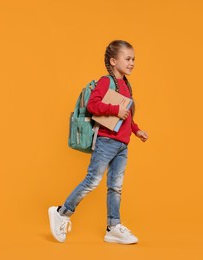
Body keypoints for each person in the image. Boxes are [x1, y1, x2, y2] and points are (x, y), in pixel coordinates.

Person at [48, 40, 148, 244]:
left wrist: (136, 130)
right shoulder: (106, 81)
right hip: (106, 141)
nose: (132, 63)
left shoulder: (127, 85)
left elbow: (127, 116)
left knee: (116, 187)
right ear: (113, 61)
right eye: (128, 59)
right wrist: (114, 110)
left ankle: (113, 227)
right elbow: (93, 106)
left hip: (122, 144)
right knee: (92, 180)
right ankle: (61, 212)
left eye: (133, 59)